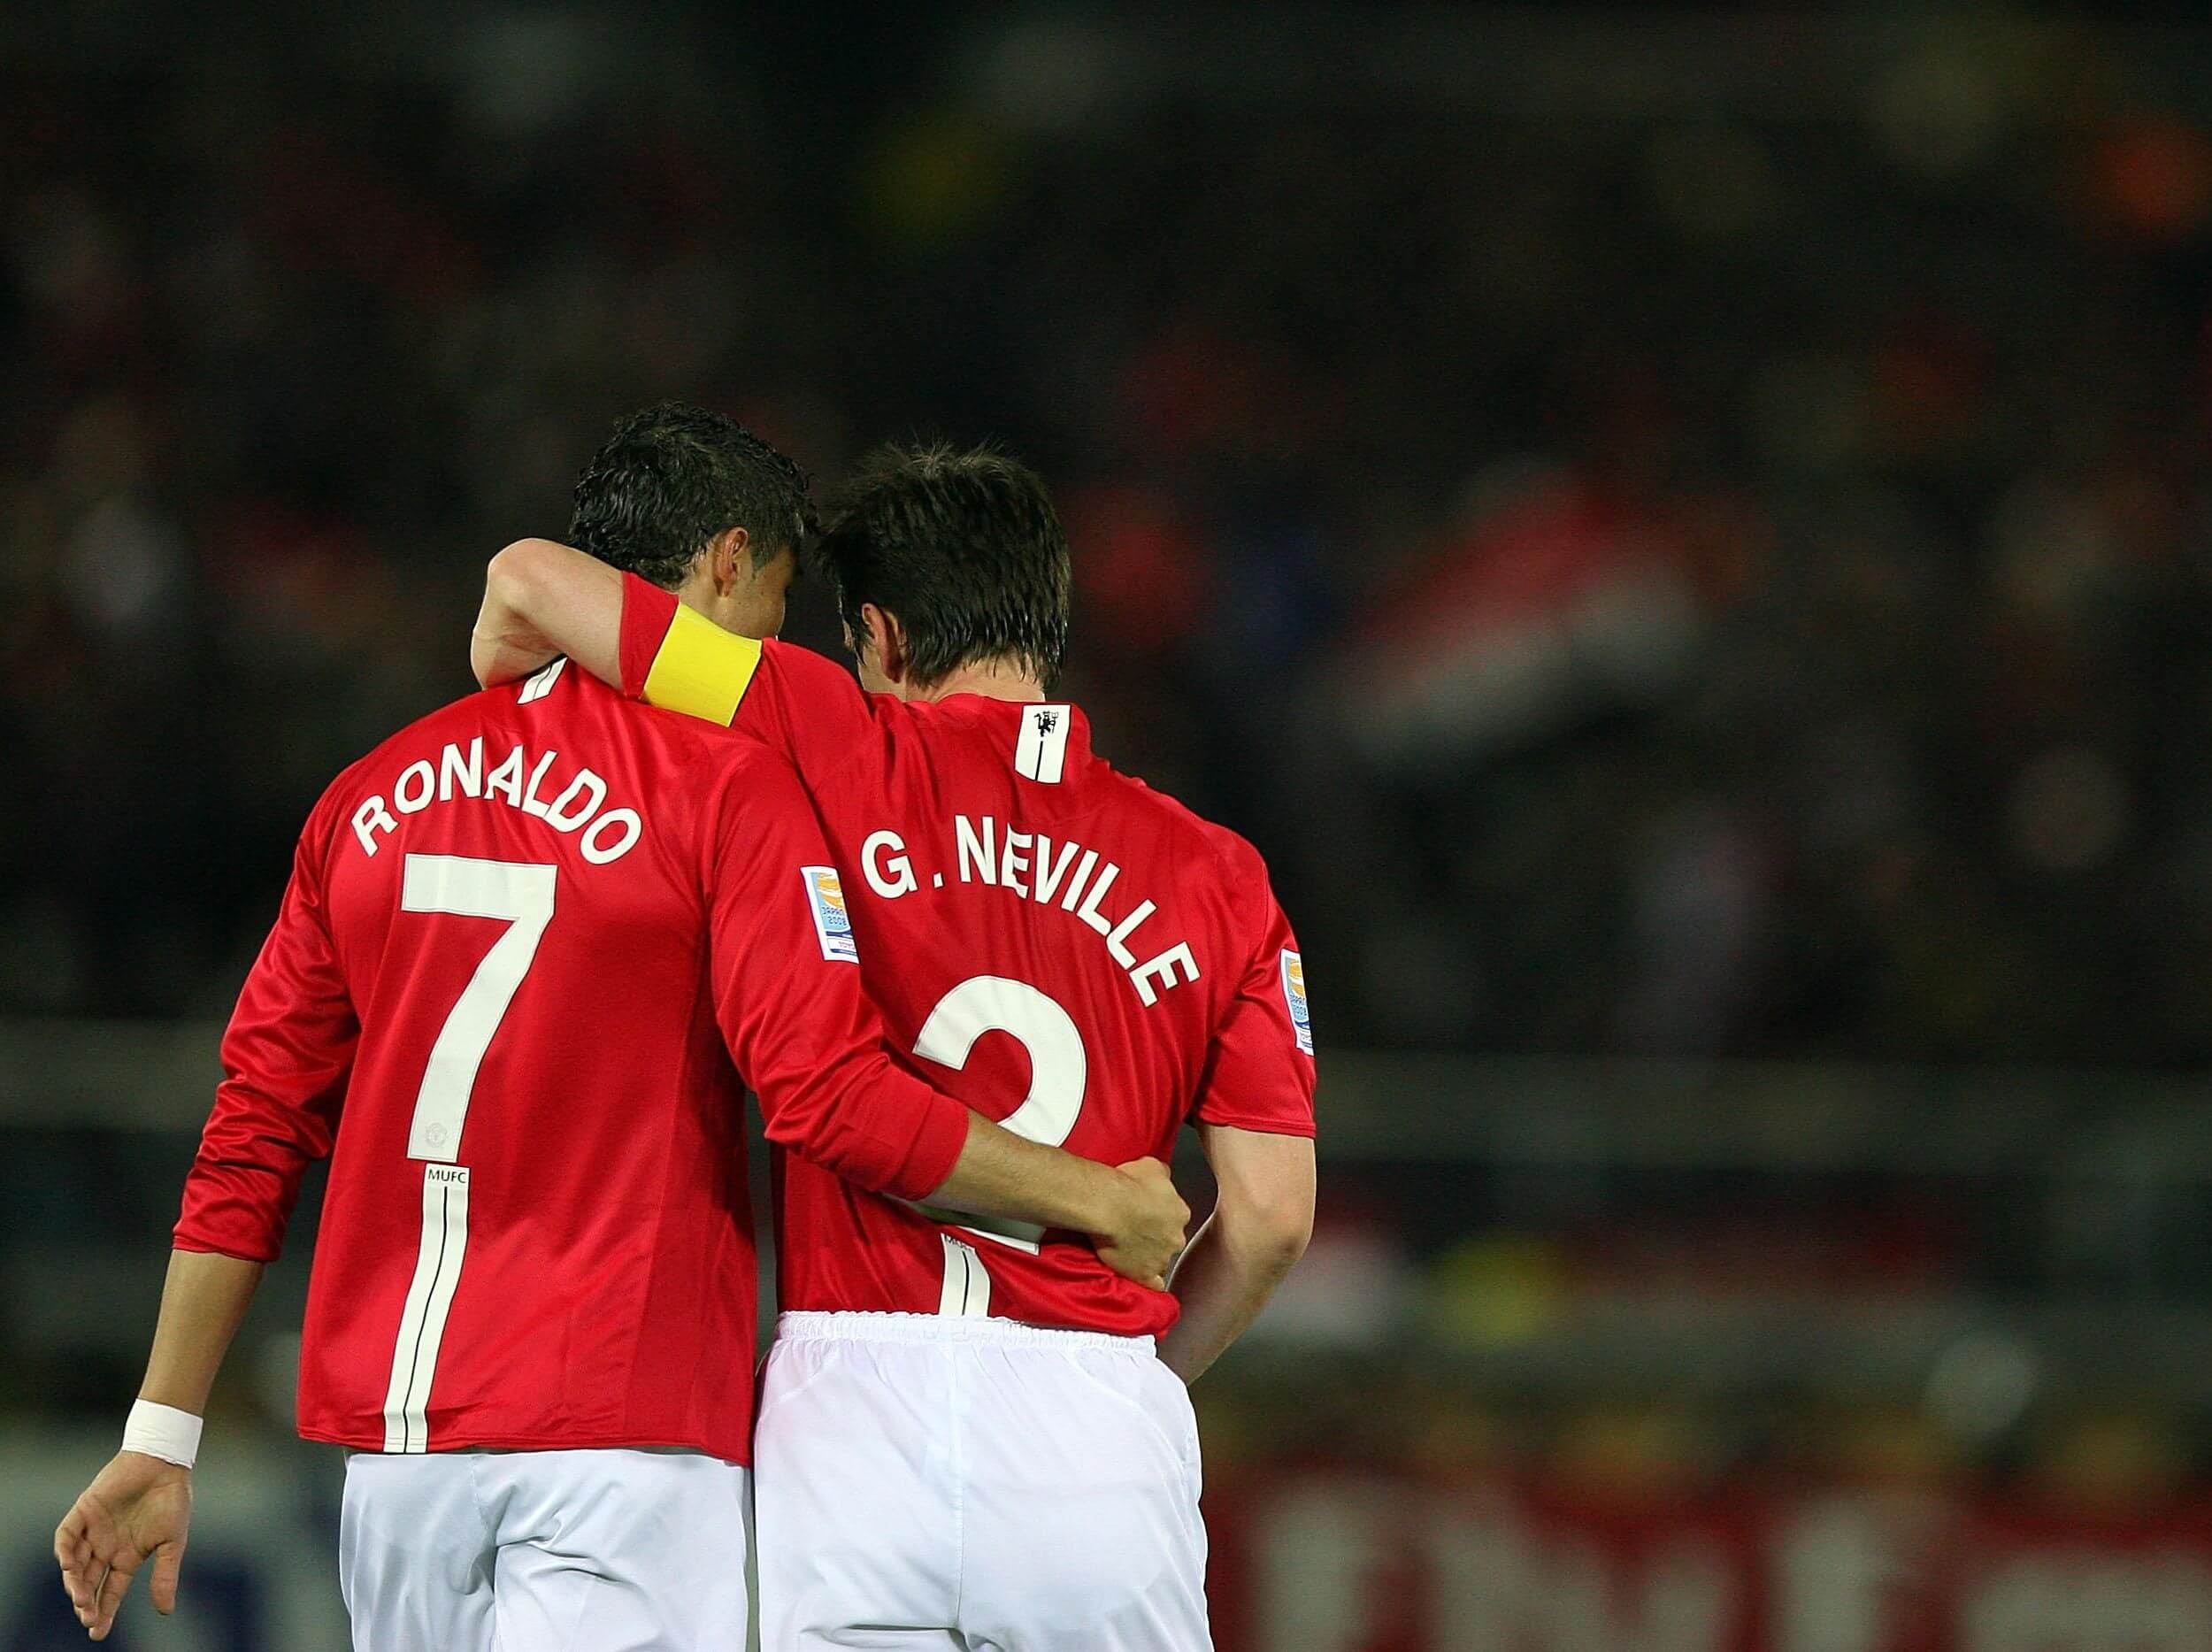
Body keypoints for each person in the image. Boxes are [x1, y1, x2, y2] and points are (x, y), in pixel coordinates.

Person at [53, 407, 1187, 1651]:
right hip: (620, 1422)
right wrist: (1097, 1199)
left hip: (397, 1456)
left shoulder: (368, 797)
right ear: (728, 566)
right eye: (777, 605)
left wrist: (162, 1429)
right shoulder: (734, 789)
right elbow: (822, 1092)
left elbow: (255, 1125)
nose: (776, 648)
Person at [472, 436, 1318, 1650]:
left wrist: (494, 675)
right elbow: (1274, 1217)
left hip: (852, 1421)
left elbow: (534, 580)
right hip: (1094, 1412)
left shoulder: (823, 733)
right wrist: (1134, 1381)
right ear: (1045, 622)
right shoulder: (1219, 874)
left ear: (879, 635)